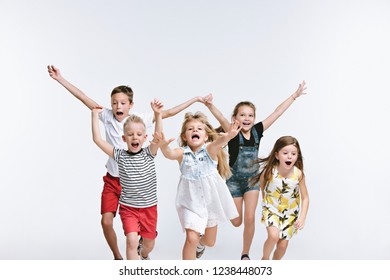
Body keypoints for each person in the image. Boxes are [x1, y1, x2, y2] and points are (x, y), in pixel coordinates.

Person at [47, 65, 206, 260]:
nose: (118, 106)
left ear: (130, 105)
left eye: (122, 103)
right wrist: (60, 78)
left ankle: (142, 248)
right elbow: (84, 98)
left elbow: (169, 113)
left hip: (135, 186)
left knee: (143, 236)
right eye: (114, 103)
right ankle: (118, 257)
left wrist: (195, 99)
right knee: (108, 222)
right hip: (114, 180)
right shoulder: (106, 116)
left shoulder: (139, 121)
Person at [203, 81, 307, 260]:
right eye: (242, 115)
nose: (247, 118)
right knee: (237, 222)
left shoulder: (258, 130)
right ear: (235, 118)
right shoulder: (232, 131)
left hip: (252, 181)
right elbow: (220, 117)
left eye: (250, 115)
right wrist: (210, 105)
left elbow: (277, 112)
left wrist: (294, 96)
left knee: (250, 219)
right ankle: (209, 224)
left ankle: (245, 254)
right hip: (233, 181)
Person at [155, 112, 240, 260]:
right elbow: (169, 153)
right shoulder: (182, 153)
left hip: (210, 203)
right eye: (190, 129)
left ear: (206, 136)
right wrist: (163, 146)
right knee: (191, 239)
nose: (195, 130)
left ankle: (201, 245)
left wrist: (229, 135)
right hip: (191, 204)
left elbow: (218, 142)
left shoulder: (209, 150)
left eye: (199, 129)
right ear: (184, 137)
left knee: (210, 241)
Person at [92, 99, 163, 260]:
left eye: (138, 134)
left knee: (149, 244)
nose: (134, 137)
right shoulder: (120, 156)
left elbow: (158, 138)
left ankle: (144, 254)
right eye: (130, 135)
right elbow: (98, 140)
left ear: (145, 137)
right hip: (129, 208)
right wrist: (94, 117)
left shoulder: (148, 153)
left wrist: (158, 115)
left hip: (149, 208)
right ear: (124, 139)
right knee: (131, 240)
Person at [251, 136, 309, 260]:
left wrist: (302, 217)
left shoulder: (298, 174)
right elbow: (262, 186)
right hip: (271, 210)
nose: (289, 157)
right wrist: (265, 202)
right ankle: (265, 259)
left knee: (282, 247)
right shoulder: (270, 171)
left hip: (290, 215)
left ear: (297, 156)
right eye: (285, 153)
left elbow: (305, 198)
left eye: (293, 154)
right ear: (277, 155)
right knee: (273, 236)